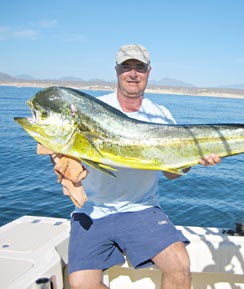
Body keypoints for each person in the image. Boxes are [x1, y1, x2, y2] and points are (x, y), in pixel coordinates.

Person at [56, 44, 221, 289]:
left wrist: (194, 161)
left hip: (141, 208)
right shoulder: (90, 109)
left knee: (180, 266)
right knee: (80, 284)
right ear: (116, 71)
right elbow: (62, 146)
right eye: (126, 67)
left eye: (139, 68)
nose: (133, 74)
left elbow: (171, 174)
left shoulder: (161, 115)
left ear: (148, 72)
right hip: (93, 209)